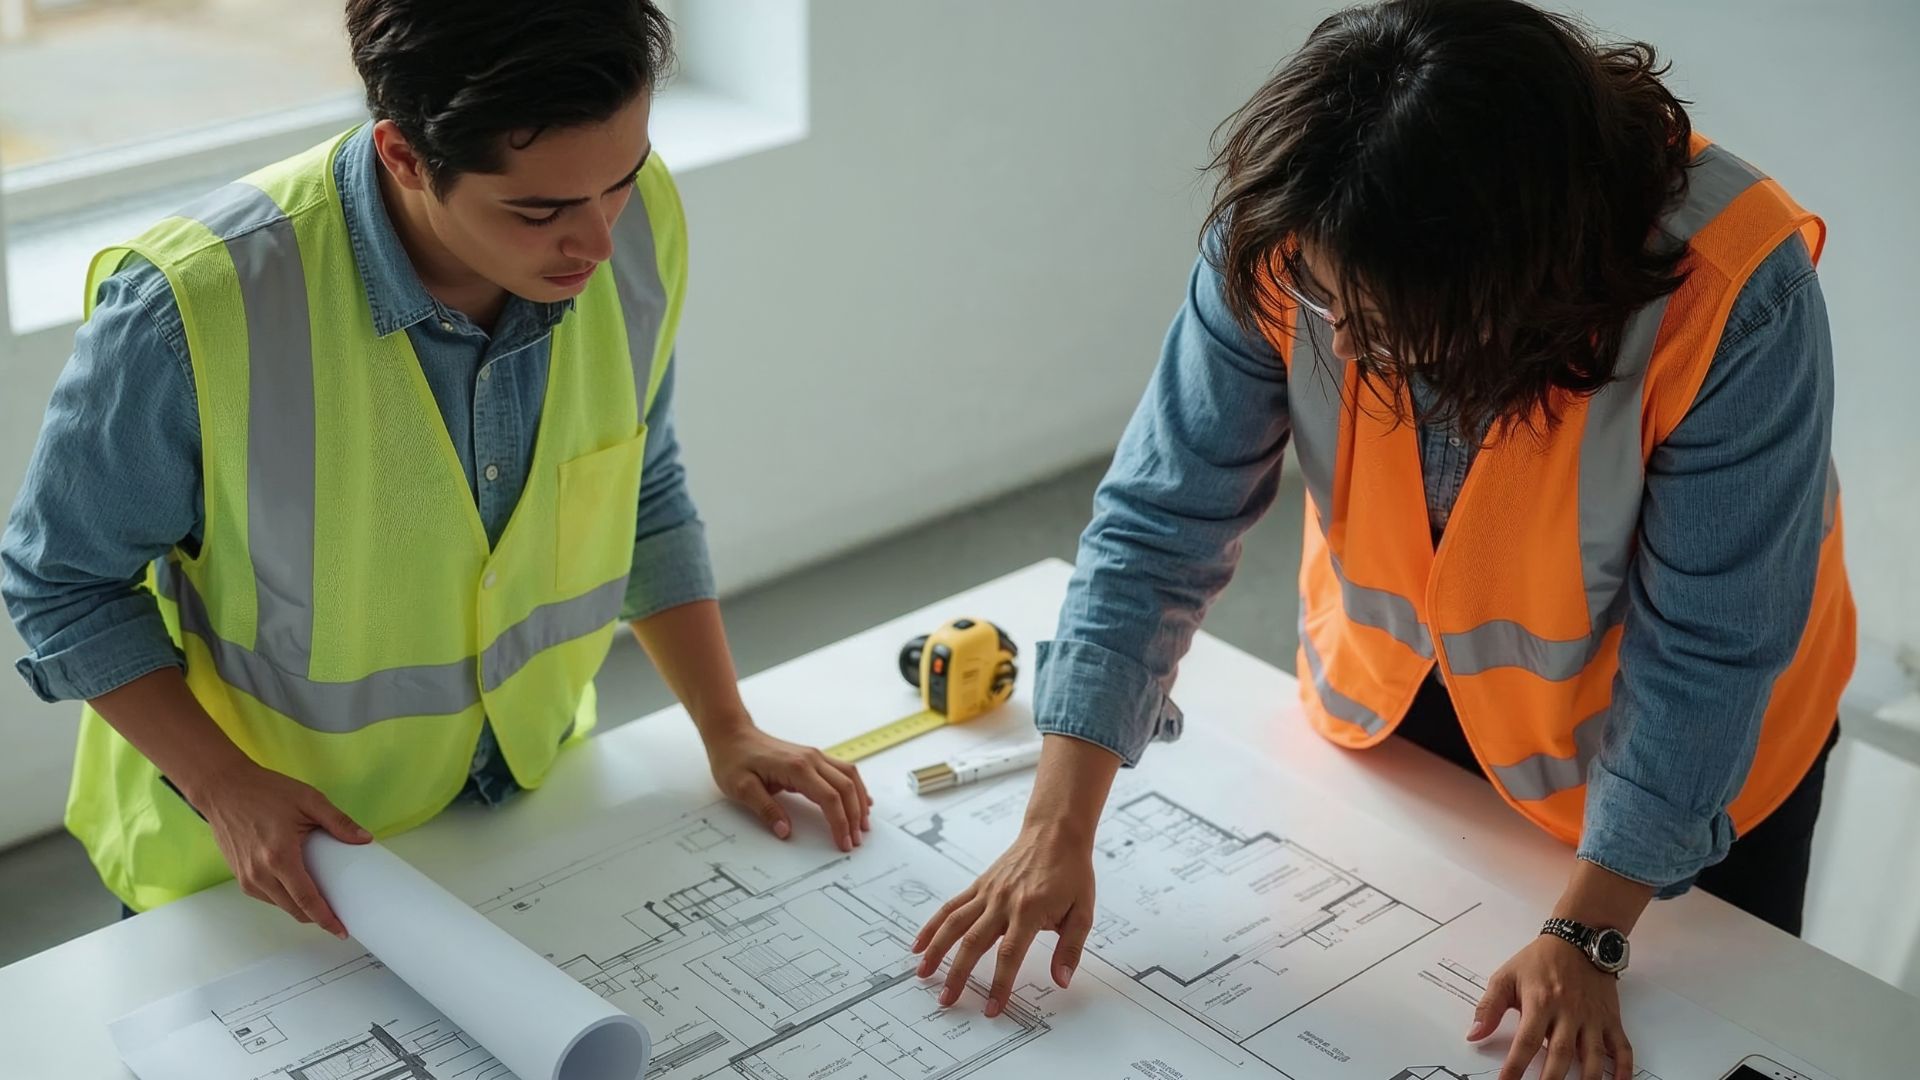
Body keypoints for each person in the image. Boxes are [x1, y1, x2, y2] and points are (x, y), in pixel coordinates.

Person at [910, 3, 1852, 1079]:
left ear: (1514, 286)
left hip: (1697, 763)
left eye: (1388, 322)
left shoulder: (1736, 295)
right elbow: (1160, 522)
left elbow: (1708, 654)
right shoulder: (1298, 227)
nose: (1342, 345)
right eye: (1325, 299)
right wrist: (1056, 822)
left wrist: (1590, 930)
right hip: (1401, 704)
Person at [0, 0, 871, 936]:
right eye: (539, 210)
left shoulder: (634, 223)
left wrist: (725, 725)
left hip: (515, 809)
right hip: (255, 865)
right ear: (405, 157)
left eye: (620, 179)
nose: (598, 241)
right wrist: (227, 788)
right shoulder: (192, 311)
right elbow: (63, 584)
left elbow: (639, 483)